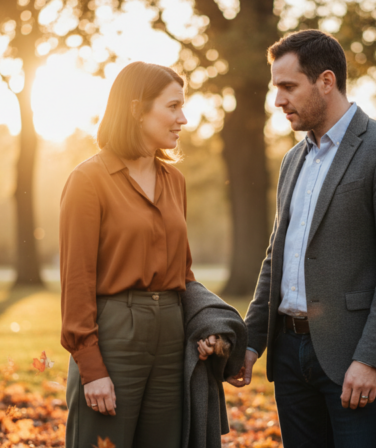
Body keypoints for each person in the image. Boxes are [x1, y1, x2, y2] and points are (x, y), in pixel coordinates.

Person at [229, 30, 376, 447]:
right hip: (289, 358)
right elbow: (275, 257)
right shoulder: (291, 160)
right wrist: (251, 342)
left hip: (354, 359)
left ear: (326, 81)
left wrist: (371, 359)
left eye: (288, 87)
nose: (278, 100)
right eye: (275, 88)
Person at [59, 61, 244, 448]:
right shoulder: (88, 181)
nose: (184, 118)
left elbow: (184, 273)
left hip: (172, 336)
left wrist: (205, 325)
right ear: (136, 109)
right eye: (173, 107)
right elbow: (77, 281)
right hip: (114, 334)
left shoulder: (174, 180)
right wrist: (92, 370)